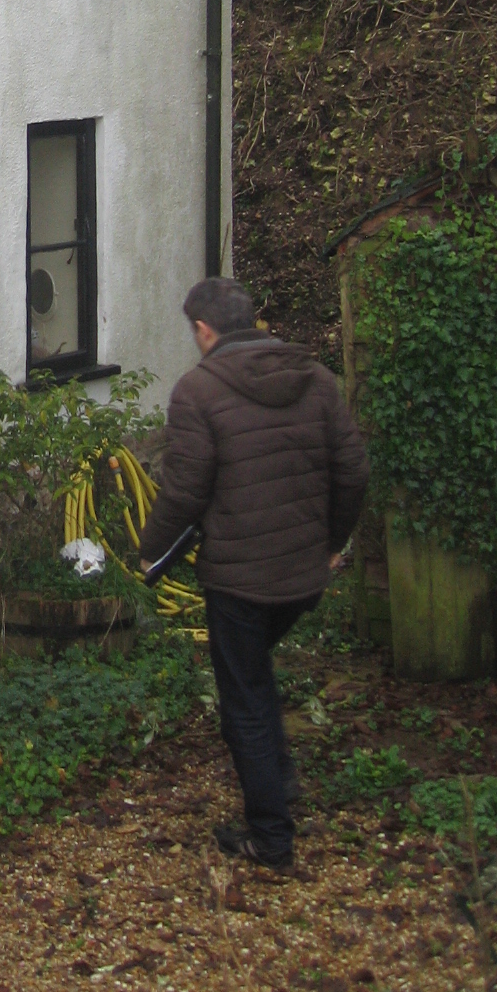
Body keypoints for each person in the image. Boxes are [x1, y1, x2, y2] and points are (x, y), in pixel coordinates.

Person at [138, 277, 368, 870]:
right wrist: (330, 544)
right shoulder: (316, 380)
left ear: (204, 330)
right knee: (254, 678)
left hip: (240, 579)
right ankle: (280, 780)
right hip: (302, 578)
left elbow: (186, 488)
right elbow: (353, 472)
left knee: (244, 697)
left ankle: (271, 837)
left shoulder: (198, 391)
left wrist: (150, 548)